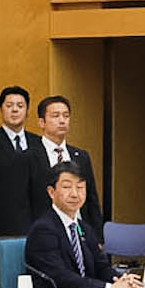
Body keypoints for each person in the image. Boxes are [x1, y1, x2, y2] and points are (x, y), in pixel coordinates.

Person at [25, 163, 144, 288]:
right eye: (67, 187)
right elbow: (60, 277)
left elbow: (101, 267)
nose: (75, 194)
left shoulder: (84, 228)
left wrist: (119, 279)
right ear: (51, 192)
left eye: (80, 187)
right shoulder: (43, 230)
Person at [0, 85, 41, 239]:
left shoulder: (39, 143)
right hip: (1, 221)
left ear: (27, 111)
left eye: (20, 106)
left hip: (36, 221)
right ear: (1, 109)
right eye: (9, 105)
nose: (15, 110)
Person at [35, 94, 100, 225]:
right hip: (45, 229)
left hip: (79, 228)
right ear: (42, 122)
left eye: (66, 116)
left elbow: (92, 199)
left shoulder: (81, 156)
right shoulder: (28, 157)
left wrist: (97, 237)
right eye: (55, 116)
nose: (62, 120)